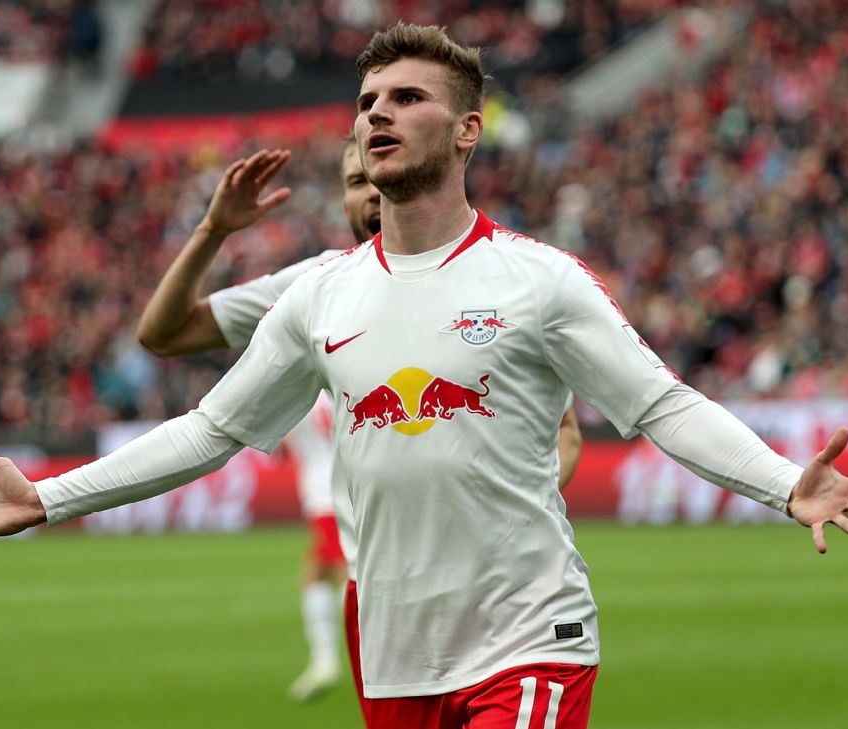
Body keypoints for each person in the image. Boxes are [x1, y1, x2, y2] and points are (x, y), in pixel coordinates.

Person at [0, 22, 848, 729]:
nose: (378, 114)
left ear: (467, 130)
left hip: (530, 641)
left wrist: (784, 482)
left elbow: (660, 405)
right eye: (369, 103)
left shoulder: (539, 281)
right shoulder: (318, 296)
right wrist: (45, 498)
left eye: (407, 99)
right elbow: (210, 431)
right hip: (392, 652)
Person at [132, 143, 582, 707]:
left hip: (500, 590)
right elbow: (164, 333)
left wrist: (492, 507)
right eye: (355, 181)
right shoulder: (317, 287)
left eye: (380, 174)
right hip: (377, 592)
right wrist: (212, 231)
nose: (370, 191)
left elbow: (563, 434)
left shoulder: (504, 282)